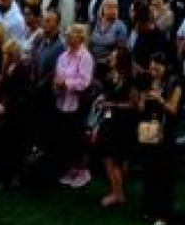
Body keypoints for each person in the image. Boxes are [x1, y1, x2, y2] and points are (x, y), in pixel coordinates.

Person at [136, 51, 182, 225]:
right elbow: (140, 107)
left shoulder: (174, 83)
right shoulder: (146, 81)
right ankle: (149, 209)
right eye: (152, 63)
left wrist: (160, 99)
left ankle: (164, 214)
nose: (154, 67)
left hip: (165, 135)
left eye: (158, 64)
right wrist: (142, 100)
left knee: (163, 175)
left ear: (166, 67)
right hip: (148, 133)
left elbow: (173, 110)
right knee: (149, 172)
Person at [94, 47, 137, 208]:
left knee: (112, 159)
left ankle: (118, 194)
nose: (110, 58)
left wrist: (112, 104)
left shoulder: (130, 79)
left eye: (113, 57)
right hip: (110, 120)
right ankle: (117, 189)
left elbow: (133, 104)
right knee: (111, 158)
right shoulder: (110, 74)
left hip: (121, 123)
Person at [54, 22, 95, 188]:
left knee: (78, 139)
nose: (68, 37)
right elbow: (57, 75)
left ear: (81, 37)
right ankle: (71, 169)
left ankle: (83, 172)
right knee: (67, 138)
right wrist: (57, 84)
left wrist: (66, 84)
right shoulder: (63, 56)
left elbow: (85, 82)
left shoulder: (85, 57)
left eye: (71, 35)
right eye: (67, 35)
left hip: (78, 103)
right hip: (62, 101)